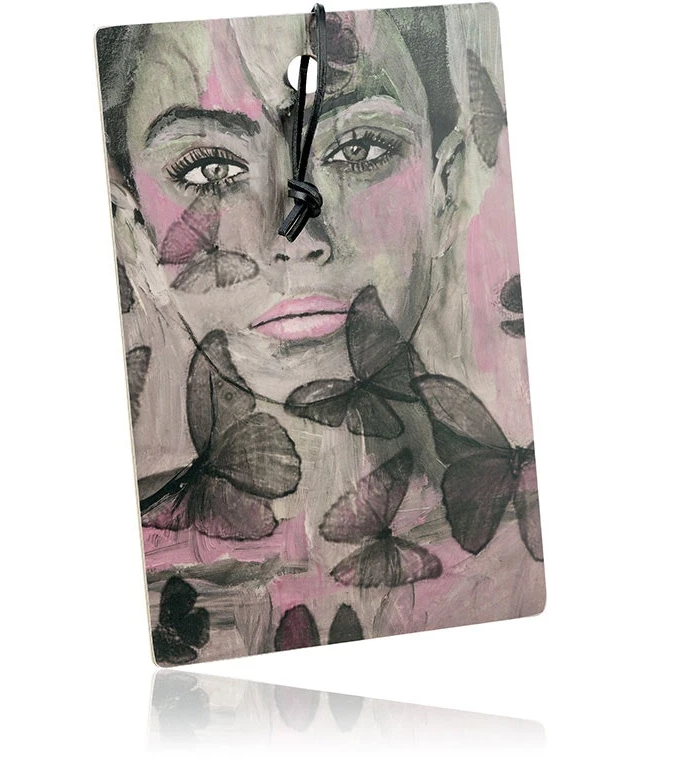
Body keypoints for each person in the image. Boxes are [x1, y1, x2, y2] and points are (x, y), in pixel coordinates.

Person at [97, 5, 544, 665]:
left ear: (447, 188)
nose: (296, 236)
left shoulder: (512, 561)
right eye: (210, 171)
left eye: (359, 149)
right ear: (131, 229)